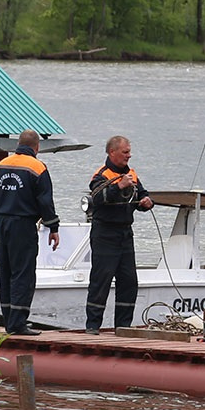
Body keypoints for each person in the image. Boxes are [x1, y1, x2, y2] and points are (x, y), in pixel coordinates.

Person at [0, 129, 60, 336]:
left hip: (2, 222)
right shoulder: (37, 167)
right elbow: (45, 201)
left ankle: (9, 320)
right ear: (37, 147)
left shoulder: (2, 165)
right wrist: (53, 227)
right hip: (22, 223)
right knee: (23, 274)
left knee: (5, 272)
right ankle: (18, 323)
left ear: (18, 145)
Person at [85, 135, 154, 333]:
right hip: (105, 233)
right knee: (101, 280)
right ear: (112, 152)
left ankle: (123, 326)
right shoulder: (102, 175)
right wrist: (118, 186)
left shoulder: (131, 174)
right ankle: (92, 326)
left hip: (125, 233)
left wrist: (147, 202)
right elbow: (97, 198)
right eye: (125, 152)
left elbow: (142, 194)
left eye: (129, 152)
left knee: (129, 281)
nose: (129, 156)